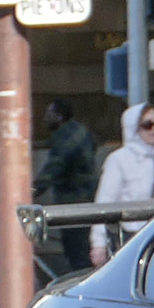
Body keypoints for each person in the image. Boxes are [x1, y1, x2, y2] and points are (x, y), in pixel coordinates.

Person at [90, 100, 154, 266]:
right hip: (129, 238)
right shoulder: (119, 159)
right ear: (134, 129)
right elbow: (104, 201)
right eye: (148, 125)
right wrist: (98, 243)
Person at [33, 99, 99, 274]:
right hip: (86, 198)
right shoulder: (81, 131)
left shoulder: (65, 136)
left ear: (59, 116)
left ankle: (82, 286)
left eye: (49, 114)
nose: (45, 119)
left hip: (73, 200)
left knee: (76, 252)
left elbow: (55, 166)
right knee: (81, 248)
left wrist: (33, 190)